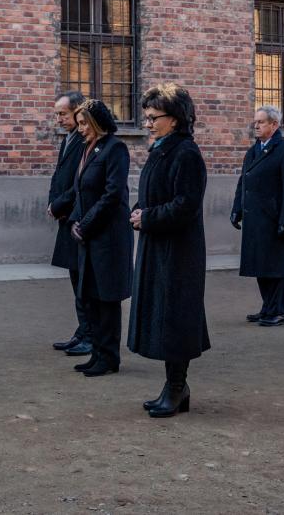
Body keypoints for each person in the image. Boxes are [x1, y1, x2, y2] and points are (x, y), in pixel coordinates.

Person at [128, 83, 210, 418]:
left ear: (174, 119)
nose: (147, 123)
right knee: (163, 316)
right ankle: (175, 387)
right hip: (159, 245)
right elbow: (153, 194)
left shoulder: (186, 154)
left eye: (153, 117)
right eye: (146, 117)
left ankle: (177, 387)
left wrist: (147, 217)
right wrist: (138, 211)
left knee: (175, 318)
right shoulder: (163, 149)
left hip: (179, 251)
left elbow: (186, 205)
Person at [67, 100, 133, 378]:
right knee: (91, 296)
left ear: (97, 122)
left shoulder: (115, 148)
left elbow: (112, 194)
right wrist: (75, 220)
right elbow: (80, 190)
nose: (80, 129)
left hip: (108, 237)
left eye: (84, 123)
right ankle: (97, 353)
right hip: (89, 236)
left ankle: (109, 357)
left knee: (106, 299)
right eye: (79, 123)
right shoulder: (87, 149)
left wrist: (86, 224)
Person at [231, 106, 284, 326]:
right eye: (255, 122)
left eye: (261, 122)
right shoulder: (253, 150)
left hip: (274, 219)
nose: (256, 125)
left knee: (276, 266)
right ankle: (267, 308)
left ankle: (278, 311)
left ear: (274, 125)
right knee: (260, 265)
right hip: (255, 219)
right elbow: (242, 182)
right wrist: (237, 209)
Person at [46, 91, 91, 357]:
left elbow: (79, 183)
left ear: (77, 112)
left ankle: (90, 334)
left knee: (84, 279)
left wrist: (59, 205)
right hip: (65, 215)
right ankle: (82, 330)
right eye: (57, 114)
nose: (59, 119)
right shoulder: (68, 139)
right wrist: (52, 202)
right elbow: (59, 175)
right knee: (75, 277)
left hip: (77, 217)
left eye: (63, 114)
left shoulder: (85, 141)